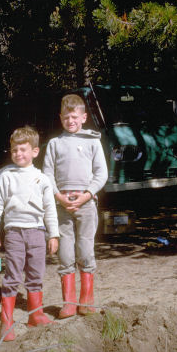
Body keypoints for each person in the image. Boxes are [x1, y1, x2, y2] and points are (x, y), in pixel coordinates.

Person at [0, 126, 59, 341]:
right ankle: (6, 322)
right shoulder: (6, 177)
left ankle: (35, 315)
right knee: (13, 275)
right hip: (13, 233)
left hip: (37, 232)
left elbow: (50, 208)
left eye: (23, 150)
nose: (19, 154)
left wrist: (54, 234)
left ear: (35, 152)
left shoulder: (43, 179)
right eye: (14, 150)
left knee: (36, 274)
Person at [42, 94, 108, 319]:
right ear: (60, 118)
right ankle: (69, 303)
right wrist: (58, 197)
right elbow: (47, 174)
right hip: (61, 206)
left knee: (86, 250)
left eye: (74, 117)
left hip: (87, 204)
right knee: (66, 253)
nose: (70, 121)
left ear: (83, 117)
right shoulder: (54, 144)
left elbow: (102, 173)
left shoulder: (92, 141)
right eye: (66, 117)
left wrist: (87, 195)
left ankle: (86, 301)